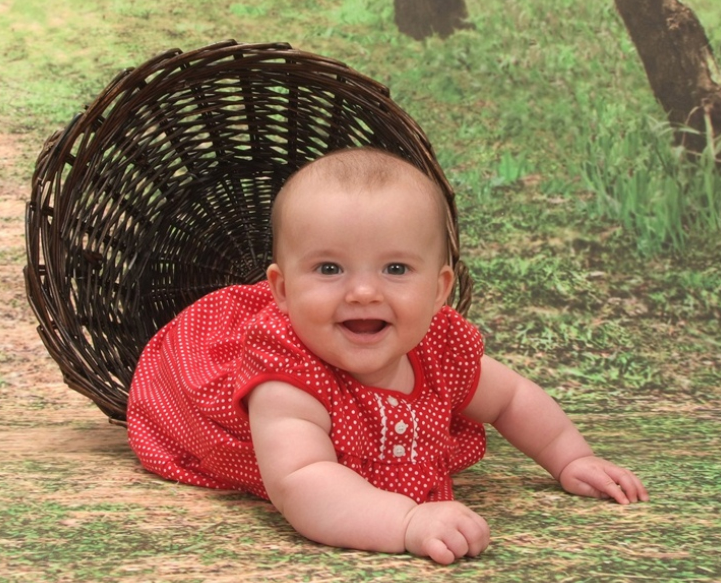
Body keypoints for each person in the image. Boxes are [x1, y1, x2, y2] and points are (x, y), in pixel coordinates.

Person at [127, 147, 648, 564]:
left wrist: (571, 457)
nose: (362, 293)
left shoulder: (437, 345)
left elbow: (510, 398)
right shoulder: (284, 375)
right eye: (329, 269)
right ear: (282, 291)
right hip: (194, 399)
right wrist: (405, 522)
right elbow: (302, 483)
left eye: (396, 269)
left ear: (439, 288)